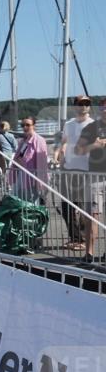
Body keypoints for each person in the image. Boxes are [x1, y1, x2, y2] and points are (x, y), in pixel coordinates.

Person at [55, 95, 94, 250]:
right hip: (69, 169)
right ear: (75, 106)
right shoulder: (69, 124)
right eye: (80, 103)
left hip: (87, 171)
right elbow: (65, 142)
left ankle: (83, 239)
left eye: (87, 103)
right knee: (67, 206)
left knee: (84, 207)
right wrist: (60, 155)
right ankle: (75, 237)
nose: (84, 106)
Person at [74, 100, 106, 264]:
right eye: (103, 107)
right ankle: (89, 253)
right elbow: (78, 150)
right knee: (92, 217)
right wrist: (94, 145)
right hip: (95, 177)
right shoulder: (91, 128)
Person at [8, 117, 49, 204]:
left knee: (31, 205)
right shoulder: (23, 141)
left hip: (32, 180)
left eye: (28, 125)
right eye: (22, 125)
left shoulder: (39, 140)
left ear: (34, 126)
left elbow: (42, 163)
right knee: (18, 203)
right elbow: (20, 157)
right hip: (20, 176)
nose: (25, 127)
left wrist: (40, 182)